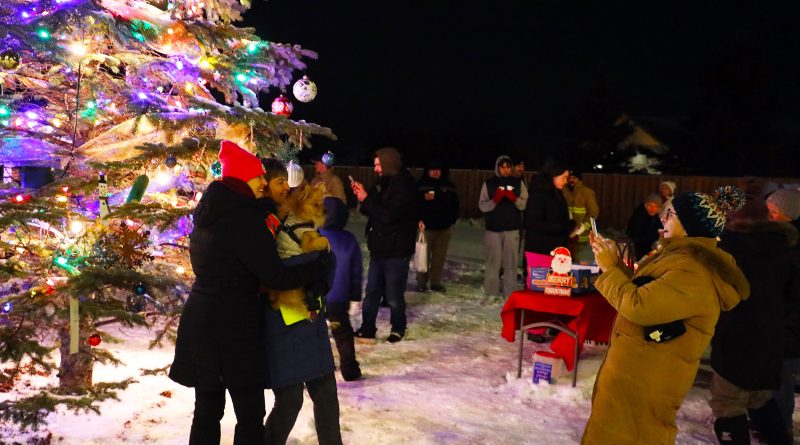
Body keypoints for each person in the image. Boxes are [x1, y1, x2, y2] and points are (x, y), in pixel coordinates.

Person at [169, 141, 328, 445]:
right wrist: (315, 268)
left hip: (202, 319)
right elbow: (275, 276)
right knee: (250, 413)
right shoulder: (244, 219)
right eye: (258, 179)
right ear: (244, 179)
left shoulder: (209, 213)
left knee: (206, 409)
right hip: (233, 328)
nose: (263, 186)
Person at [582, 186, 750, 445]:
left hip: (648, 382)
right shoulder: (678, 257)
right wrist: (614, 264)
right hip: (636, 375)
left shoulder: (694, 270)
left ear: (690, 224)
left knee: (636, 437)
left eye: (671, 213)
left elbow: (639, 305)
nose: (663, 218)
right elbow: (645, 292)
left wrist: (607, 269)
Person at [260, 158, 342, 445]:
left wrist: (322, 268)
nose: (288, 190)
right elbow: (271, 273)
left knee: (327, 396)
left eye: (290, 185)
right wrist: (316, 266)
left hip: (310, 316)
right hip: (284, 319)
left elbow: (325, 264)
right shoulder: (263, 220)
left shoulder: (297, 218)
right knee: (290, 399)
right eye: (282, 184)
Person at [709, 191, 797, 445]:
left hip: (734, 339)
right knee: (760, 398)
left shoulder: (728, 250)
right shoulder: (784, 248)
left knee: (728, 403)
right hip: (771, 340)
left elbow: (714, 292)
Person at [351, 147, 418, 343]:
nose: (376, 169)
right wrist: (362, 196)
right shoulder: (383, 182)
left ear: (389, 163)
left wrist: (367, 200)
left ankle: (398, 328)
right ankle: (367, 327)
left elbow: (388, 215)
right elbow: (373, 209)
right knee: (372, 292)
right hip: (379, 247)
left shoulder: (405, 186)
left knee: (394, 295)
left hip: (397, 249)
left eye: (378, 165)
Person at [766, 188, 800, 437]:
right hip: (783, 319)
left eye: (774, 213)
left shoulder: (792, 245)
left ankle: (782, 427)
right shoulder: (784, 241)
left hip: (790, 322)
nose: (770, 217)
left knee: (781, 375)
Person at [319, 197, 363, 381]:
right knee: (343, 334)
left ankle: (313, 372)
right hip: (338, 299)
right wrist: (354, 297)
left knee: (312, 334)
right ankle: (349, 369)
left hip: (316, 298)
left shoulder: (313, 236)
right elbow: (356, 272)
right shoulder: (349, 240)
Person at [478, 155, 529, 298]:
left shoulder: (518, 183)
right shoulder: (489, 184)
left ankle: (510, 292)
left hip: (512, 228)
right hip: (493, 229)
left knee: (511, 262)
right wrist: (494, 201)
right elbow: (482, 206)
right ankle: (490, 292)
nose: (505, 170)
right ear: (498, 167)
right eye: (502, 167)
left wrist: (514, 199)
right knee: (493, 262)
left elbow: (525, 204)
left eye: (508, 167)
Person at [416, 159, 460, 293]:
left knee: (439, 258)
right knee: (423, 256)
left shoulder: (449, 186)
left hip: (444, 228)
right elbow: (413, 204)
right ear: (427, 171)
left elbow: (455, 205)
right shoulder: (421, 185)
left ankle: (435, 282)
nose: (435, 172)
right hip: (426, 228)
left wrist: (452, 221)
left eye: (438, 170)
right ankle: (421, 283)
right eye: (432, 170)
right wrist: (422, 201)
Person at [522, 159, 573, 269]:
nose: (566, 181)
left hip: (556, 252)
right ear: (554, 176)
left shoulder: (558, 194)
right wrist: (562, 227)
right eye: (563, 177)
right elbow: (533, 223)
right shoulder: (538, 195)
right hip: (539, 252)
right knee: (539, 285)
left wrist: (570, 226)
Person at [563, 170, 599, 264]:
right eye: (569, 178)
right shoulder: (563, 191)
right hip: (566, 235)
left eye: (574, 178)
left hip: (582, 237)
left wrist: (583, 227)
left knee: (581, 264)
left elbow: (594, 212)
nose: (571, 180)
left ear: (579, 180)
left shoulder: (587, 193)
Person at [625, 193, 663, 261]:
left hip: (648, 245)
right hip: (638, 248)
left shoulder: (655, 217)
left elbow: (659, 227)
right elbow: (637, 237)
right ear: (646, 205)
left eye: (655, 206)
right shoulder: (639, 216)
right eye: (650, 206)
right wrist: (656, 235)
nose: (652, 209)